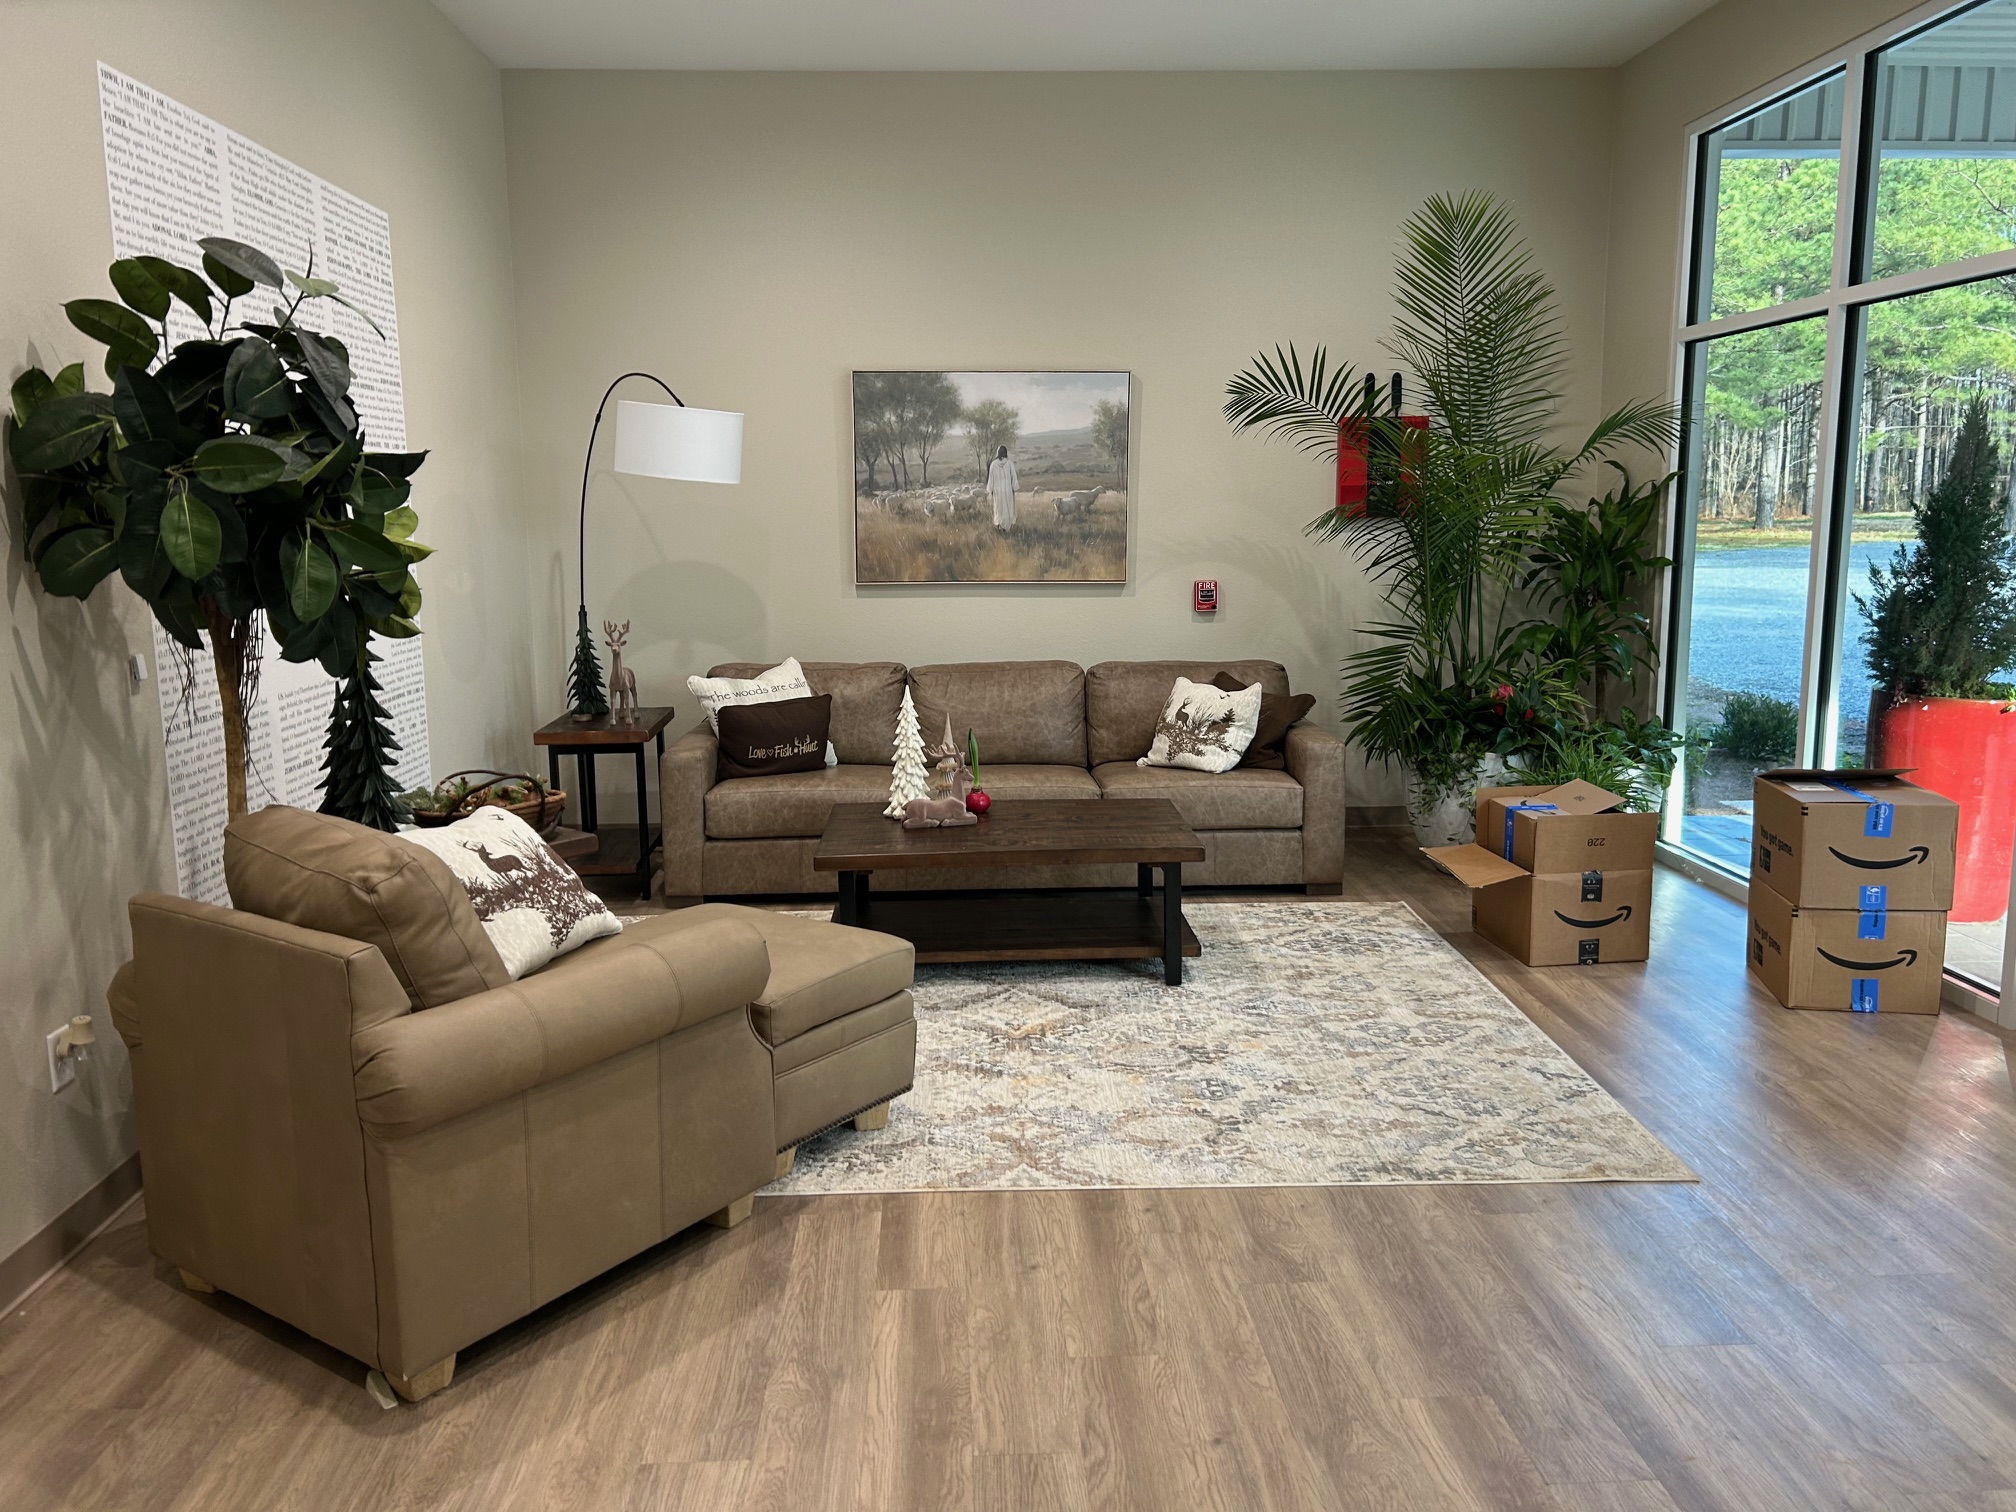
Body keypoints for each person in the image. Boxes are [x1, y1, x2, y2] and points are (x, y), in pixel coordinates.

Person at [986, 444, 1019, 530]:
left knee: (998, 508)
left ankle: (999, 526)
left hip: (997, 491)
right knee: (1008, 508)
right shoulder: (1009, 463)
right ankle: (1007, 527)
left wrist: (991, 489)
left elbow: (991, 479)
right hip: (1008, 491)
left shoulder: (993, 464)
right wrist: (1014, 488)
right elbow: (1014, 477)